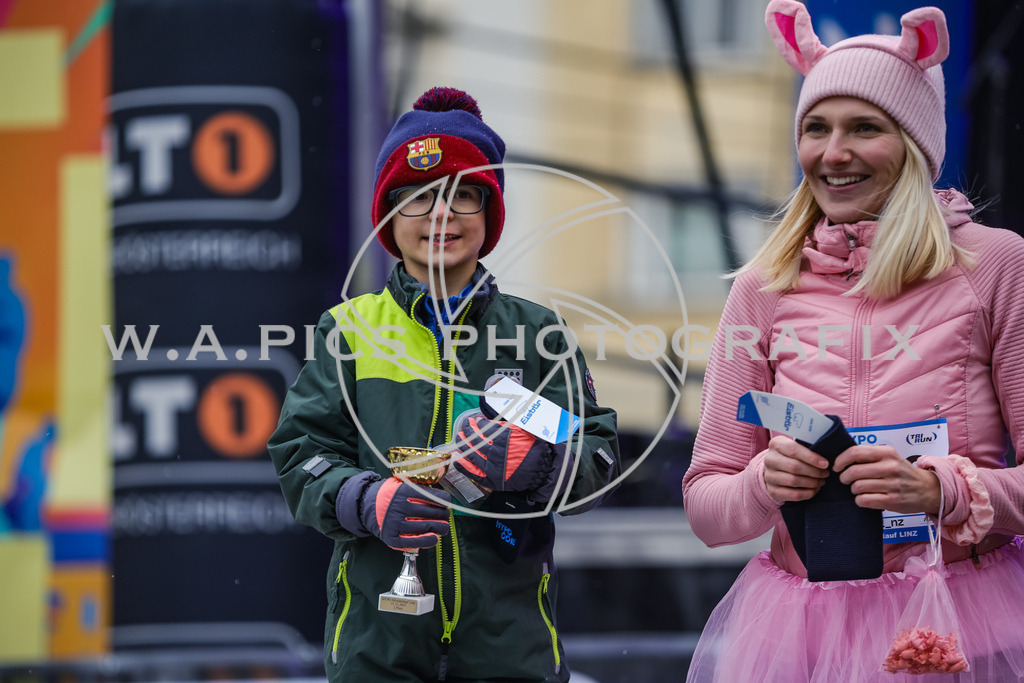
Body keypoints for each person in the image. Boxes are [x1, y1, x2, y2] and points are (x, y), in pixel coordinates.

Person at [681, 2, 1024, 681]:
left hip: (959, 623)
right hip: (801, 634)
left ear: (915, 145)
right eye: (816, 128)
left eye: (865, 127)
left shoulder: (996, 265)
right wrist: (763, 483)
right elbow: (707, 507)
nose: (833, 153)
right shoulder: (762, 288)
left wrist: (942, 490)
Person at [268, 86, 620, 683]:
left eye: (463, 195)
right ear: (388, 217)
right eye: (417, 198)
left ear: (490, 213)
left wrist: (538, 466)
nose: (440, 215)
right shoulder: (350, 330)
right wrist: (366, 501)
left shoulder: (538, 333)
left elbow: (599, 455)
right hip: (377, 652)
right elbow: (300, 455)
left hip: (512, 651)